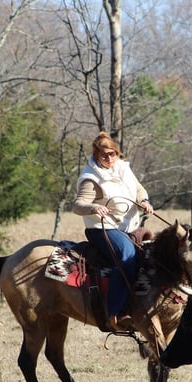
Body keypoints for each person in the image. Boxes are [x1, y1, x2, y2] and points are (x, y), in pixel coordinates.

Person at [73, 131, 154, 331]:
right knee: (126, 256)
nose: (109, 159)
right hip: (102, 228)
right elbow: (78, 205)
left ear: (117, 153)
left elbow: (139, 189)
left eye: (112, 154)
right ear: (96, 155)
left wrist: (144, 201)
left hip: (129, 226)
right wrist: (94, 208)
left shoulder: (123, 168)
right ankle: (114, 312)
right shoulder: (91, 178)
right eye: (104, 155)